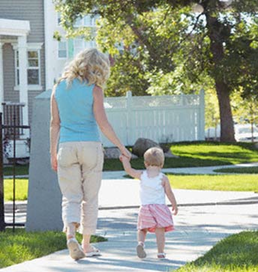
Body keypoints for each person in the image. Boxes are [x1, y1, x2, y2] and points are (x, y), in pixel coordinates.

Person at [50, 48, 131, 260]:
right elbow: (103, 124)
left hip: (66, 146)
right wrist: (122, 148)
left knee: (70, 196)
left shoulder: (58, 87)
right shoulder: (95, 90)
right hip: (91, 146)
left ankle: (70, 235)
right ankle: (86, 245)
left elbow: (54, 124)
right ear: (99, 67)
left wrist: (52, 153)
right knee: (90, 197)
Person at [120, 147, 178, 259]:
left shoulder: (142, 175)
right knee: (160, 230)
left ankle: (140, 243)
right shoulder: (163, 178)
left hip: (145, 208)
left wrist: (125, 160)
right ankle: (160, 252)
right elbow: (169, 192)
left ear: (146, 163)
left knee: (142, 228)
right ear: (161, 164)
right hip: (160, 208)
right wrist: (174, 204)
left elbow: (129, 170)